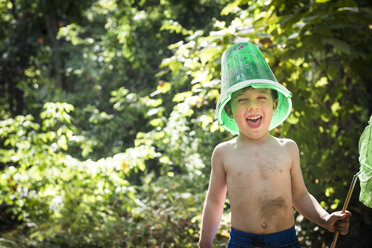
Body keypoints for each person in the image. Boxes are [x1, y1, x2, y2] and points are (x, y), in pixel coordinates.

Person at [198, 42, 351, 248]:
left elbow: (300, 195)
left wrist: (325, 219)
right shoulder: (224, 153)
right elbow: (214, 203)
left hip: (284, 242)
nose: (253, 105)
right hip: (242, 243)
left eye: (261, 98)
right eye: (242, 100)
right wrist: (204, 244)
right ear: (230, 111)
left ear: (274, 105)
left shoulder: (287, 149)